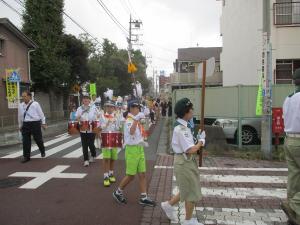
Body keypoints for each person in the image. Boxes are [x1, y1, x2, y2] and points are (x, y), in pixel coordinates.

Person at [161, 98, 205, 225]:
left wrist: (199, 140)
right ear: (186, 112)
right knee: (191, 191)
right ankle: (188, 220)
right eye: (191, 109)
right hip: (185, 161)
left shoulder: (183, 126)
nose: (192, 111)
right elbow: (191, 149)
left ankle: (168, 205)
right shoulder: (181, 129)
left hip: (184, 161)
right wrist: (201, 142)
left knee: (186, 189)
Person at [112, 99, 156, 207]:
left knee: (142, 174)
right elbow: (131, 132)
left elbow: (140, 133)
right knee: (131, 175)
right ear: (131, 109)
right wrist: (136, 120)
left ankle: (144, 197)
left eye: (138, 108)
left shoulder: (136, 119)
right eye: (136, 108)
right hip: (131, 150)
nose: (138, 110)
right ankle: (118, 192)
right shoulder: (129, 120)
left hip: (139, 148)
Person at [281, 68, 300, 225]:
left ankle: (293, 214)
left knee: (294, 176)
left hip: (289, 140)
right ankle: (293, 204)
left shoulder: (289, 98)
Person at [18, 90, 47, 163]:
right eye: (22, 96)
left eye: (25, 96)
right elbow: (20, 116)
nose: (23, 98)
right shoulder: (21, 105)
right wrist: (20, 125)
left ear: (29, 96)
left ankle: (42, 150)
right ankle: (26, 157)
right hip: (25, 124)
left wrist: (43, 123)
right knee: (25, 141)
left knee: (38, 139)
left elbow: (41, 114)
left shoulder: (35, 104)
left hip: (35, 123)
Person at [100, 100, 121, 187]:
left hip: (114, 137)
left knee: (113, 158)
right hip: (105, 137)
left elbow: (118, 127)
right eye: (108, 106)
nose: (109, 108)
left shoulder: (116, 116)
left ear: (114, 108)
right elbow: (101, 127)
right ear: (105, 107)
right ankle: (105, 176)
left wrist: (116, 122)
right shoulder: (102, 116)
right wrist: (107, 122)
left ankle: (111, 173)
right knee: (106, 158)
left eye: (111, 107)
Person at [76, 95, 98, 167]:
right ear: (82, 101)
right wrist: (79, 118)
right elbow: (77, 117)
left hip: (91, 128)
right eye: (84, 100)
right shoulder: (79, 108)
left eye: (87, 100)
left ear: (89, 101)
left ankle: (93, 155)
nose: (85, 102)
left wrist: (95, 119)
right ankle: (86, 160)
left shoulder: (93, 107)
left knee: (91, 144)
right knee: (84, 145)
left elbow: (98, 115)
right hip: (82, 129)